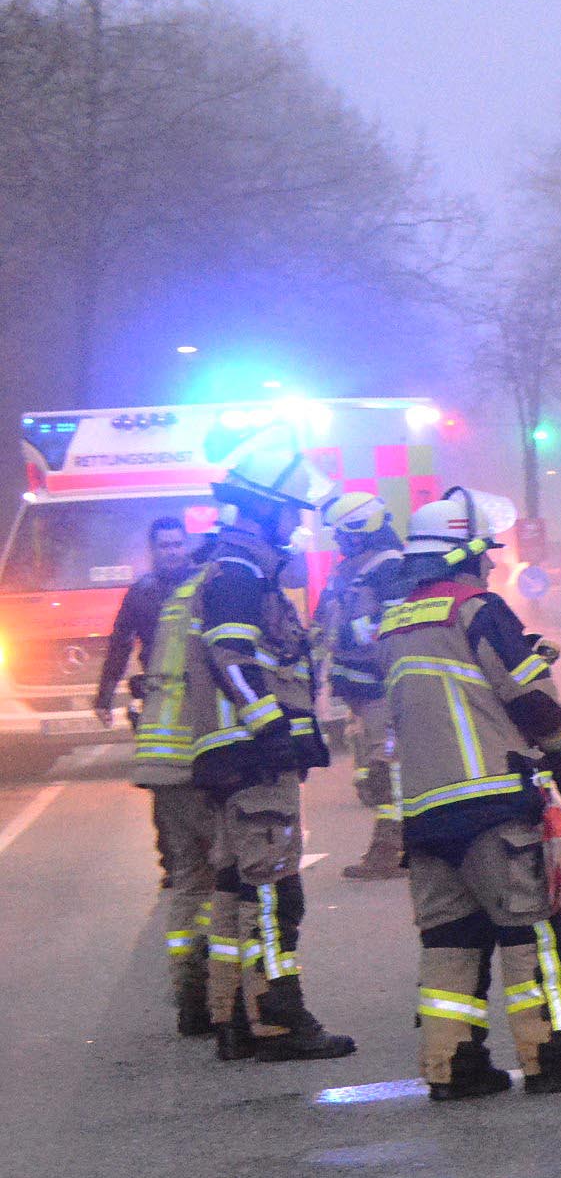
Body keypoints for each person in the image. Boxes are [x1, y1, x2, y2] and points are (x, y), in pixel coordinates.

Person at [381, 487, 561, 1101]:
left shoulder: (396, 621)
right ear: (463, 555)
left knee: (450, 939)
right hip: (491, 803)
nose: (491, 564)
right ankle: (553, 1057)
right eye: (484, 553)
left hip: (425, 813)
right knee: (533, 930)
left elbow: (453, 699)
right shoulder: (478, 608)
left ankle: (452, 1067)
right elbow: (530, 698)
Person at [132, 431, 357, 1062]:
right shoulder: (238, 575)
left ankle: (234, 1016)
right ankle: (278, 1019)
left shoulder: (236, 570)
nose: (293, 524)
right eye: (288, 511)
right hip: (255, 760)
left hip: (242, 759)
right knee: (271, 889)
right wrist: (270, 729)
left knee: (237, 885)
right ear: (263, 510)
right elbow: (230, 657)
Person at [95, 516, 199, 889]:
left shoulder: (203, 584)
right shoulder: (141, 592)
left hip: (201, 698)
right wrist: (104, 695)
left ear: (185, 545)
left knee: (207, 779)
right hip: (159, 704)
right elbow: (120, 644)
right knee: (164, 784)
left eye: (177, 544)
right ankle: (172, 861)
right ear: (153, 550)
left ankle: (206, 854)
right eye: (164, 545)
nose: (171, 552)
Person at [315, 492, 411, 880]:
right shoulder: (353, 569)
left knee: (388, 771)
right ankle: (399, 848)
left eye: (342, 535)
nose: (338, 543)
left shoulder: (389, 568)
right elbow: (327, 622)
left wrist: (355, 638)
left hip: (381, 690)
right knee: (378, 771)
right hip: (359, 693)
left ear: (361, 529)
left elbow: (393, 630)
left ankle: (390, 851)